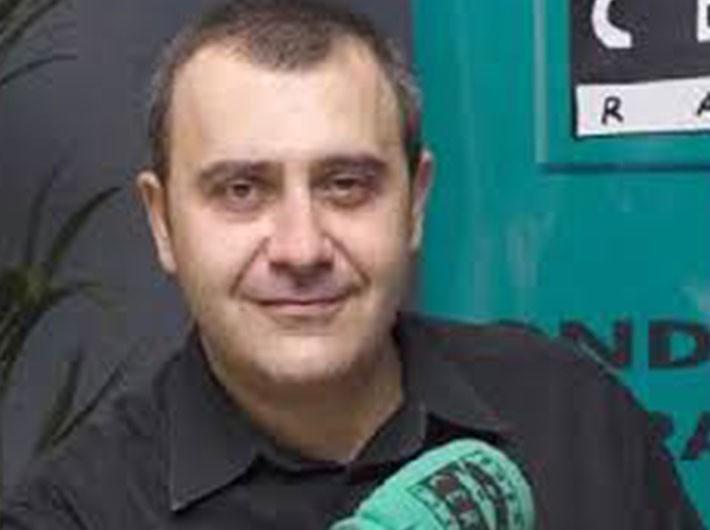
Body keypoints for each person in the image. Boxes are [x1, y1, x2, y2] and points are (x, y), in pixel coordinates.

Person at [3, 1, 706, 528]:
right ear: (162, 222)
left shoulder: (576, 417)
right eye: (241, 190)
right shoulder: (75, 512)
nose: (301, 248)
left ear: (415, 202)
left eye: (346, 185)